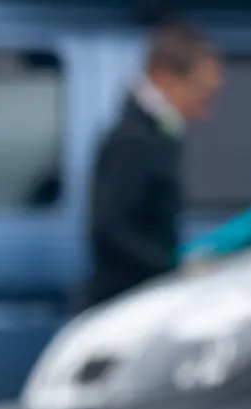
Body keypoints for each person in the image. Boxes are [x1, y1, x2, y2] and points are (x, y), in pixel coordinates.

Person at [80, 20, 224, 310]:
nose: (205, 112)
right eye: (200, 93)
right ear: (165, 78)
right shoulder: (133, 140)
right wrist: (171, 267)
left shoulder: (149, 134)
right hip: (124, 305)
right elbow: (110, 228)